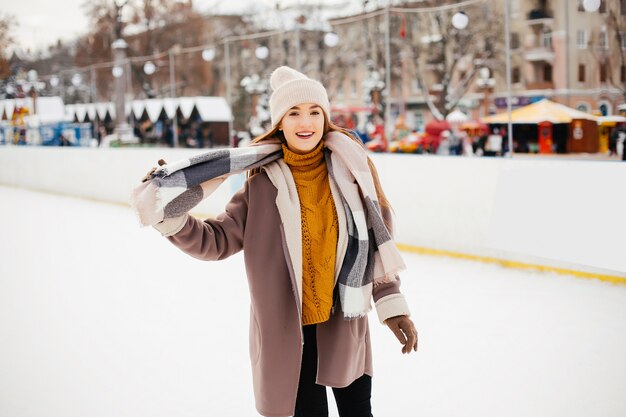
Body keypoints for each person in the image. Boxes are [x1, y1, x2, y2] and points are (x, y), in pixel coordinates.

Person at [132, 66, 418, 417]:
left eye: (314, 112)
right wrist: (169, 211)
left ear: (325, 118)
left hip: (342, 320)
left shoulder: (353, 174)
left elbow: (376, 244)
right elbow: (216, 240)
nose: (305, 122)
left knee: (358, 412)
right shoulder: (261, 185)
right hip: (288, 332)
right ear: (279, 123)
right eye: (293, 113)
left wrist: (393, 306)